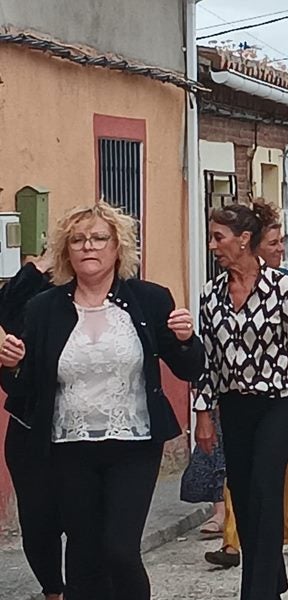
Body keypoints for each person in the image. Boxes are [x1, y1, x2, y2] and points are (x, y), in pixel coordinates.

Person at [0, 202, 205, 600]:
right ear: (66, 251)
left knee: (120, 549)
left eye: (98, 239)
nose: (88, 247)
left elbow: (189, 368)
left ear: (117, 248)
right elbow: (25, 389)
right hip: (68, 446)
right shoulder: (44, 308)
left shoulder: (148, 299)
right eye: (78, 240)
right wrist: (12, 366)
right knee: (84, 554)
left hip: (134, 442)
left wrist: (184, 340)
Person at [194, 202, 288, 599]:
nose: (214, 245)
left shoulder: (284, 288)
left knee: (266, 487)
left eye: (220, 237)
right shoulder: (211, 294)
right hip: (234, 405)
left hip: (278, 402)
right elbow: (209, 360)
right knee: (244, 491)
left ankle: (258, 590)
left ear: (244, 239)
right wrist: (203, 413)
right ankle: (272, 572)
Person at [0, 253, 62, 600]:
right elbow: (4, 307)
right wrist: (34, 269)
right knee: (38, 522)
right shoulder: (34, 302)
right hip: (31, 426)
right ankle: (54, 591)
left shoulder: (112, 300)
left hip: (90, 430)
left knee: (89, 521)